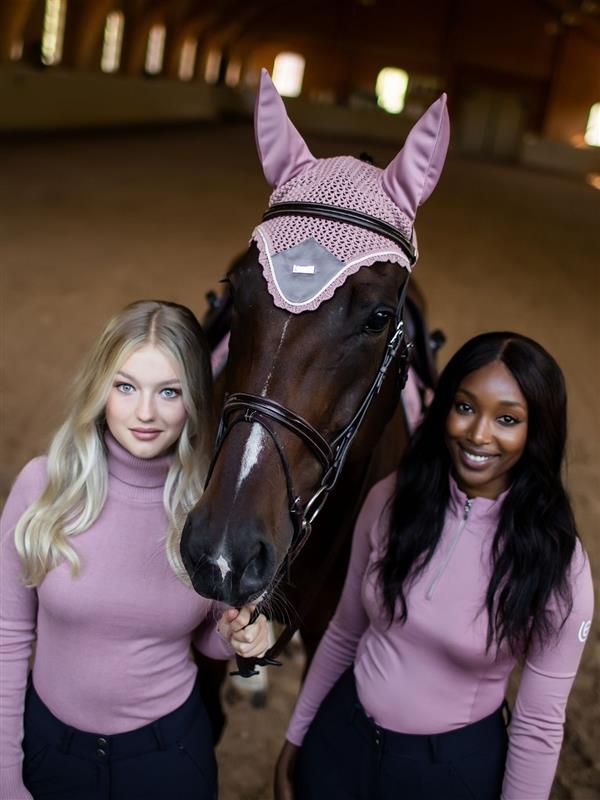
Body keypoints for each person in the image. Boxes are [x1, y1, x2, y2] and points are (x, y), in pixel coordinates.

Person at [275, 331, 594, 800]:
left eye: (507, 418)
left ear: (536, 430)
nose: (478, 434)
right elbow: (344, 633)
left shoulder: (560, 565)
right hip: (340, 743)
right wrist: (296, 740)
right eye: (465, 407)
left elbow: (539, 723)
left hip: (447, 774)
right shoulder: (392, 499)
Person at [0, 300, 269, 800]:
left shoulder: (210, 507)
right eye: (126, 387)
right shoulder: (45, 486)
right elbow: (7, 636)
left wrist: (240, 633)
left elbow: (210, 642)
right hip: (48, 752)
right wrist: (4, 775)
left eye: (169, 392)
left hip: (167, 758)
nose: (145, 413)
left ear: (193, 398)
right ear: (100, 387)